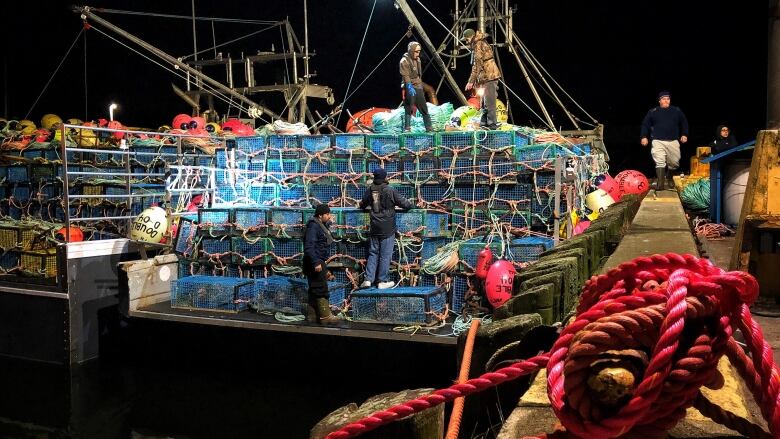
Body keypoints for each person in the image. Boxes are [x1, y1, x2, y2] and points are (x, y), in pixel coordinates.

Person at [359, 168, 413, 289]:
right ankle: (382, 280)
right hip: (387, 228)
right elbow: (405, 204)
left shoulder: (370, 190)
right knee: (385, 255)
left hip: (374, 227)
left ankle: (368, 279)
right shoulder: (390, 190)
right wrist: (412, 205)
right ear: (384, 177)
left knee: (373, 253)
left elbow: (362, 204)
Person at [640, 91, 689, 190]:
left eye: (668, 99)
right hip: (658, 141)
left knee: (674, 163)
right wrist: (644, 136)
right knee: (660, 161)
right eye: (664, 99)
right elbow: (645, 124)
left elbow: (684, 122)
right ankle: (660, 183)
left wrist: (684, 134)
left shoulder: (676, 111)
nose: (666, 100)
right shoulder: (653, 111)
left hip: (673, 141)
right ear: (659, 101)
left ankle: (670, 178)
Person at [303, 204, 339, 324]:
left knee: (314, 289)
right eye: (327, 214)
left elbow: (323, 233)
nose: (329, 216)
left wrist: (329, 223)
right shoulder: (313, 227)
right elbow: (309, 246)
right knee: (320, 288)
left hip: (317, 260)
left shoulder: (319, 224)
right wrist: (316, 262)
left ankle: (312, 316)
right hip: (315, 262)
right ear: (320, 215)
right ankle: (325, 317)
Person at [462, 28, 502, 130]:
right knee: (485, 101)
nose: (466, 42)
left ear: (471, 37)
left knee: (490, 102)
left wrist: (471, 81)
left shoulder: (478, 44)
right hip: (485, 77)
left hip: (489, 75)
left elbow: (477, 64)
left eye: (466, 40)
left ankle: (492, 125)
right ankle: (484, 123)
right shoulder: (478, 43)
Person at [399, 41, 433, 132]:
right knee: (409, 107)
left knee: (424, 107)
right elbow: (406, 76)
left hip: (417, 85)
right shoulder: (404, 61)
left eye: (419, 51)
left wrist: (419, 84)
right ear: (411, 51)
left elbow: (419, 74)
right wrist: (409, 87)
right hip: (409, 85)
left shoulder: (418, 60)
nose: (418, 54)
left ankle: (429, 128)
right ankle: (407, 128)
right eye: (416, 52)